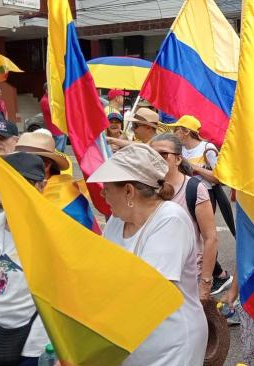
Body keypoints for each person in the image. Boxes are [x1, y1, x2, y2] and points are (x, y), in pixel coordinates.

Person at [88, 144, 207, 366]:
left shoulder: (170, 219)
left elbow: (149, 290)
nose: (102, 194)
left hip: (171, 343)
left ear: (128, 191)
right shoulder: (116, 221)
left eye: (107, 187)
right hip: (131, 338)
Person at [0, 152, 51, 366]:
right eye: (9, 183)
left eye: (25, 183)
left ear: (41, 187)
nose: (16, 191)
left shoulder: (54, 234)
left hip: (35, 346)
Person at [149, 134, 219, 302]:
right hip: (153, 276)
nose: (157, 159)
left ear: (178, 159)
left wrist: (205, 283)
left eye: (163, 155)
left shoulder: (194, 189)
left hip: (187, 279)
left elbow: (210, 239)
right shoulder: (144, 188)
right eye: (152, 155)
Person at [171, 115, 234, 295]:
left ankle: (218, 275)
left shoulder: (207, 149)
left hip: (205, 195)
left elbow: (219, 178)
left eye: (177, 129)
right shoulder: (180, 149)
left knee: (204, 237)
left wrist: (195, 168)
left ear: (186, 132)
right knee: (193, 236)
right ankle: (217, 273)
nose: (174, 133)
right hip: (186, 195)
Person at [39, 82, 67, 152]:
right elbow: (56, 113)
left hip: (61, 129)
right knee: (57, 151)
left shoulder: (51, 99)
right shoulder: (45, 101)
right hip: (55, 130)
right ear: (46, 90)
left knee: (62, 151)